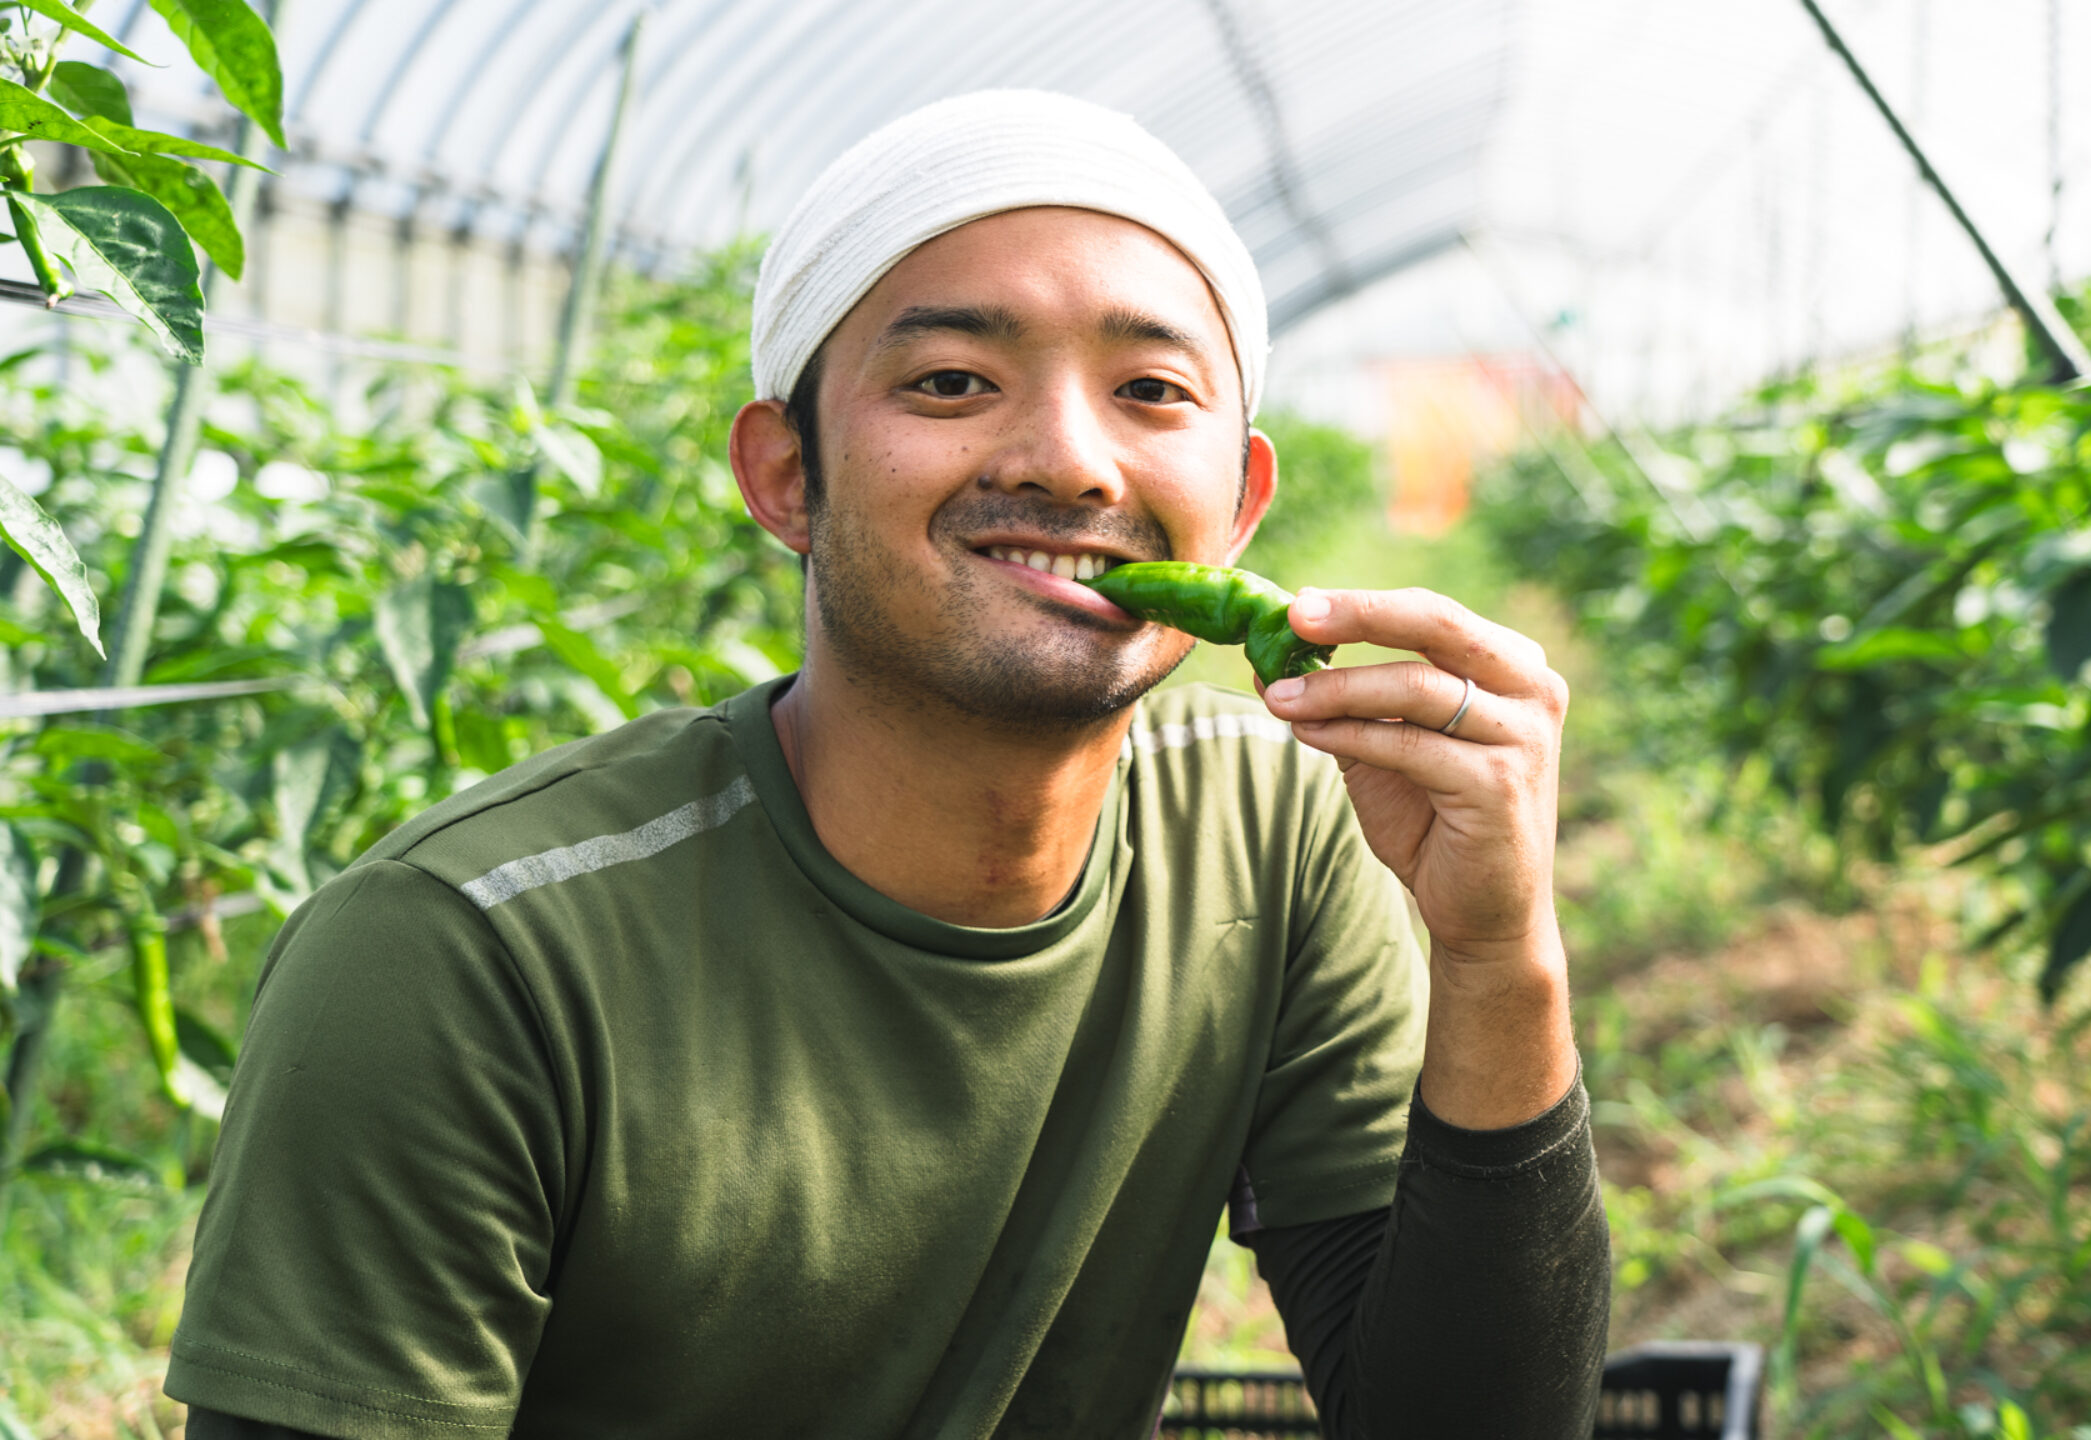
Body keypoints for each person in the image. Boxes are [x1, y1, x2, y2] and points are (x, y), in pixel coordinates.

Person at [170, 90, 1609, 1440]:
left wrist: (1499, 959)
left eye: (1153, 390)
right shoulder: (466, 958)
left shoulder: (1272, 834)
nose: (1068, 460)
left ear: (1237, 504)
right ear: (786, 477)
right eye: (951, 380)